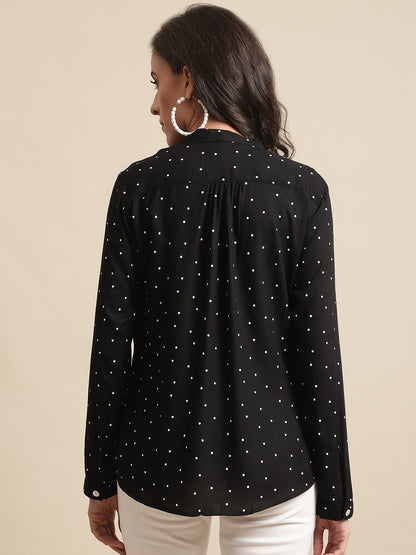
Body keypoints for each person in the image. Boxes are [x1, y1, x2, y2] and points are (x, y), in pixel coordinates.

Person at [83, 4, 354, 555]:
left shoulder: (139, 187)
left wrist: (98, 478)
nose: (153, 103)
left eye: (157, 81)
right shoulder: (301, 191)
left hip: (155, 462)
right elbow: (318, 352)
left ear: (187, 81)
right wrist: (336, 495)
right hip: (275, 465)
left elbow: (111, 344)